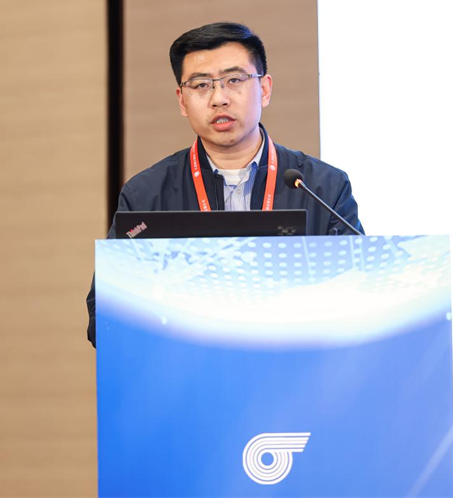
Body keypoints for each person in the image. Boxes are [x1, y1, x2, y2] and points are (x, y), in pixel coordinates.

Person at [86, 22, 363, 347]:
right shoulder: (146, 195)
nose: (219, 98)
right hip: (189, 367)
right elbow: (103, 317)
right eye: (201, 85)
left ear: (264, 89)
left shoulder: (322, 187)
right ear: (182, 100)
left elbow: (358, 294)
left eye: (234, 80)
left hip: (295, 363)